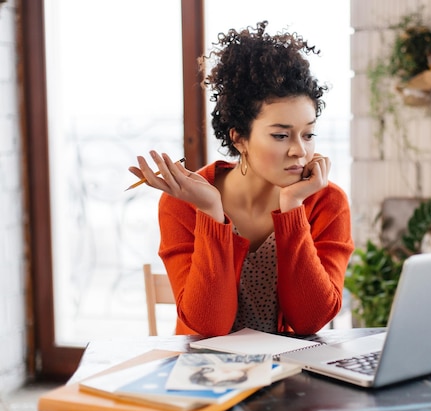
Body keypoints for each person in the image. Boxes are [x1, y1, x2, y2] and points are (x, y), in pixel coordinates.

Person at [129, 21, 354, 337]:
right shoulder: (183, 203)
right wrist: (210, 212)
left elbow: (310, 320)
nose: (299, 151)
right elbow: (208, 326)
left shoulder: (326, 201)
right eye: (280, 135)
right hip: (205, 378)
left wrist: (292, 208)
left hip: (291, 377)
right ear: (239, 138)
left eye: (308, 133)